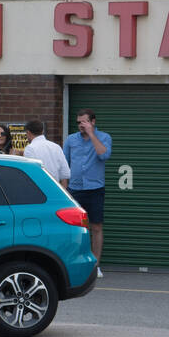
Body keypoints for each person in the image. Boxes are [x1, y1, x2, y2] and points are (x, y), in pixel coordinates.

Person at [63, 108, 112, 278]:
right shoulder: (71, 140)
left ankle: (95, 265)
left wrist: (92, 135)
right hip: (74, 189)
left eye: (84, 121)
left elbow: (104, 155)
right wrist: (64, 188)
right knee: (73, 228)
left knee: (96, 226)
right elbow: (65, 164)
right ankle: (72, 263)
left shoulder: (104, 137)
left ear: (92, 122)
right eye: (78, 122)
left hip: (95, 189)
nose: (80, 125)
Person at [22, 119, 69, 188]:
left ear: (28, 133)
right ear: (42, 131)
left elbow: (30, 174)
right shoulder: (56, 147)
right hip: (57, 190)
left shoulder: (30, 149)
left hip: (39, 190)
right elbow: (65, 174)